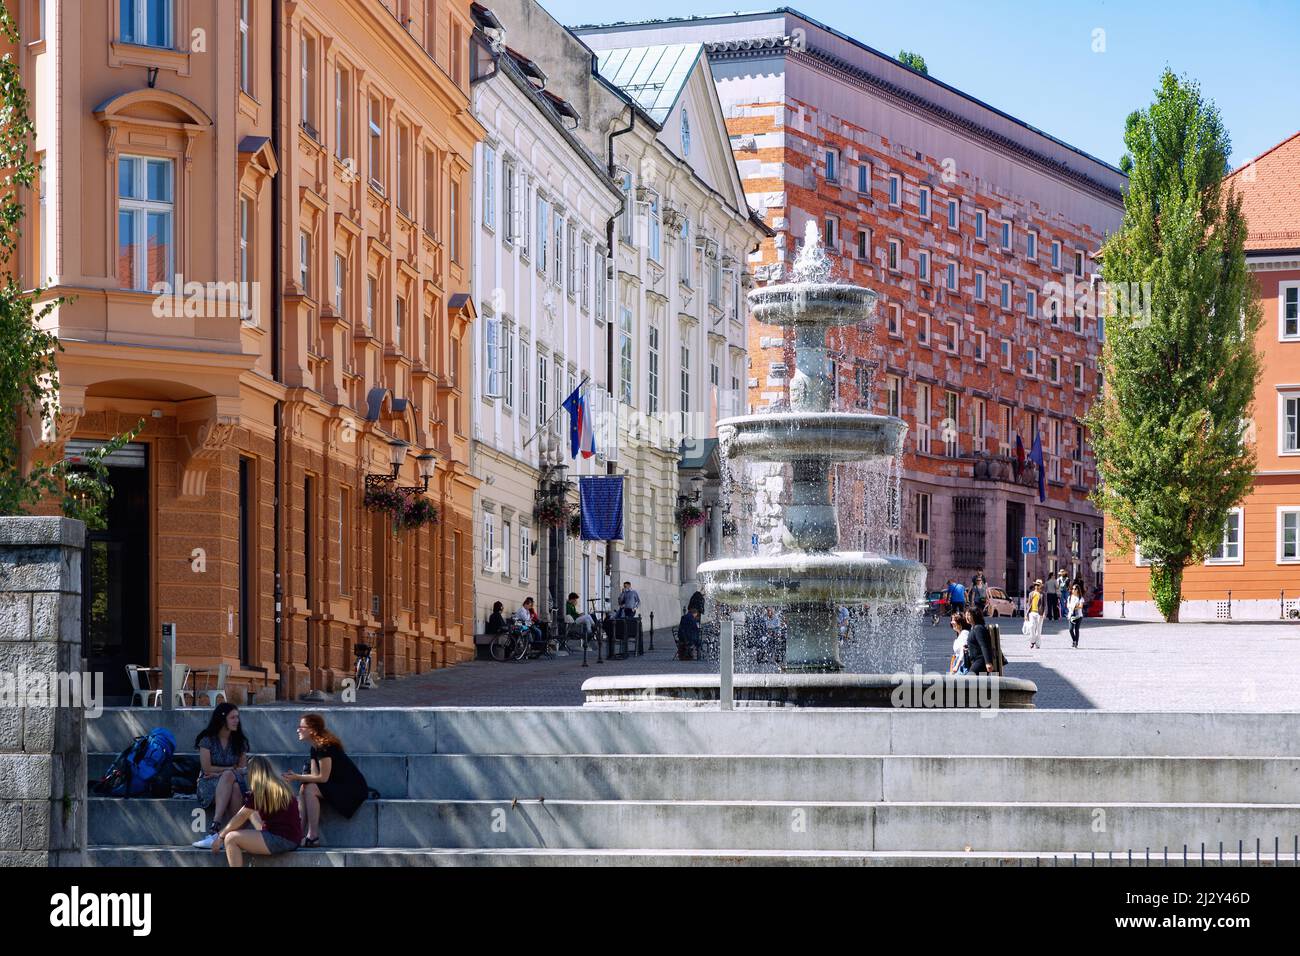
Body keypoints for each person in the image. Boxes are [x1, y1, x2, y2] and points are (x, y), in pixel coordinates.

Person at [283, 714, 369, 848]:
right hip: (337, 785)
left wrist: (297, 776)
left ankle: (313, 836)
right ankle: (298, 833)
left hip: (352, 790)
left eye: (301, 727)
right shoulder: (314, 747)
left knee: (310, 788)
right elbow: (314, 775)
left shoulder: (325, 747)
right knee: (304, 787)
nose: (297, 730)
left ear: (312, 730)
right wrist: (302, 778)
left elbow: (323, 777)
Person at [210, 756, 300, 866]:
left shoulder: (261, 791)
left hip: (281, 840)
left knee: (231, 839)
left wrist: (220, 837)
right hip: (292, 838)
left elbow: (240, 817)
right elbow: (246, 813)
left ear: (253, 772)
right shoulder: (280, 786)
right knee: (251, 811)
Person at [191, 702, 250, 849]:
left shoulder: (239, 742)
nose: (237, 720)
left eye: (237, 717)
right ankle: (231, 833)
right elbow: (206, 769)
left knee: (234, 784)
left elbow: (242, 770)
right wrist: (230, 769)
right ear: (222, 719)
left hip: (231, 782)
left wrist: (222, 772)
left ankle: (217, 829)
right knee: (231, 777)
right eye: (232, 717)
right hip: (208, 785)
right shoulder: (207, 740)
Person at [963, 607, 997, 674]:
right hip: (975, 661)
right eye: (966, 615)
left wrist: (988, 662)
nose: (966, 617)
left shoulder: (978, 628)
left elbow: (984, 645)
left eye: (969, 615)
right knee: (979, 684)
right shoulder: (973, 628)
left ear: (975, 615)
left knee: (970, 681)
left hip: (981, 661)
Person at [1026, 579, 1045, 649]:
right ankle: (1032, 641)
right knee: (1031, 627)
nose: (1036, 586)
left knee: (1038, 629)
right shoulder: (1031, 594)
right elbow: (1028, 605)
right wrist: (1026, 614)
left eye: (1038, 585)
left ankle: (1038, 644)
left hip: (1039, 613)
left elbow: (1045, 605)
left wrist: (1044, 613)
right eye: (1036, 585)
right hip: (1032, 612)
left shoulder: (1043, 594)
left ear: (1040, 586)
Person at [1066, 582, 1086, 648]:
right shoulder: (1069, 597)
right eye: (1072, 589)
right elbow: (1067, 605)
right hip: (1071, 615)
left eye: (1074, 589)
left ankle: (1076, 643)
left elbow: (1081, 606)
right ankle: (1074, 640)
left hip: (1078, 615)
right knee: (1070, 629)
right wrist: (1074, 606)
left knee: (1076, 629)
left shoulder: (1080, 598)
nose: (1073, 590)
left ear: (1077, 590)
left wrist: (1074, 607)